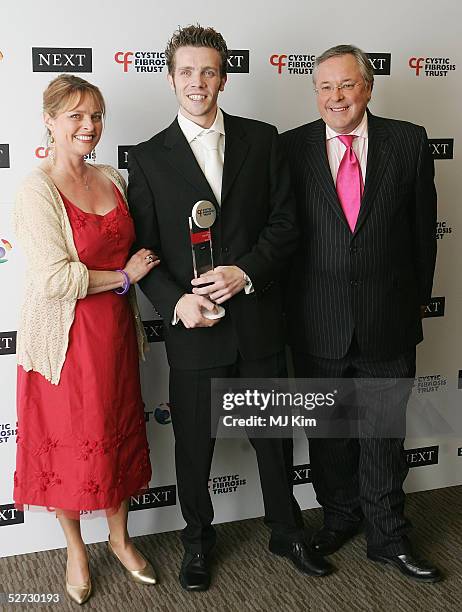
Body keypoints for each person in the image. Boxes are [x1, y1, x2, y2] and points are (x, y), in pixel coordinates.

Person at [128, 25, 332, 591]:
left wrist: (245, 271)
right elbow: (141, 252)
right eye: (187, 72)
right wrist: (176, 303)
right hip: (195, 332)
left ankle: (286, 531)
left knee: (274, 440)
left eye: (209, 71)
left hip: (260, 320)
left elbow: (288, 224)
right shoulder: (146, 159)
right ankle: (198, 542)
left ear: (224, 76)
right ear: (171, 78)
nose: (199, 82)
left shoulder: (263, 140)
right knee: (195, 447)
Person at [280, 45, 441, 582]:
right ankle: (341, 517)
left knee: (382, 436)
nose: (335, 97)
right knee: (329, 435)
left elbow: (424, 234)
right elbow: (284, 237)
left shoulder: (408, 141)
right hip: (317, 321)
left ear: (368, 88)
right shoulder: (292, 148)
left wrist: (414, 301)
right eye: (324, 87)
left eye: (346, 85)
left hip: (386, 320)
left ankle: (388, 536)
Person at [13, 74, 158, 605]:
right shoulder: (35, 188)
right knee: (70, 449)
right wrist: (123, 278)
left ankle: (120, 539)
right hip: (65, 344)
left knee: (115, 432)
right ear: (49, 121)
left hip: (116, 337)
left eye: (95, 115)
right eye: (75, 115)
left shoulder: (112, 178)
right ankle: (76, 547)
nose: (88, 125)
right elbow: (53, 278)